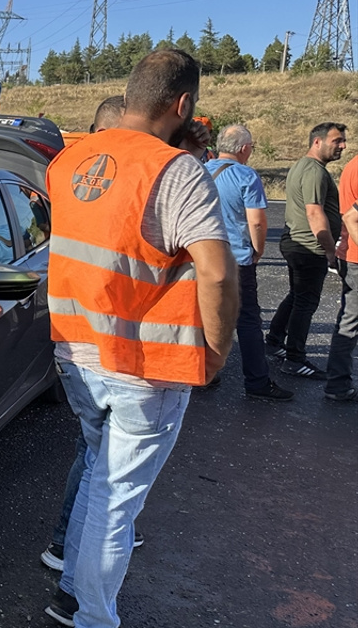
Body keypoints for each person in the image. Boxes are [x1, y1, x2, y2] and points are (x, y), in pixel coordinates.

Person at [42, 49, 238, 628]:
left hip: (74, 349)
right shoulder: (175, 171)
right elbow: (218, 272)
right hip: (144, 364)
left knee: (99, 473)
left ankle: (73, 594)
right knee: (116, 497)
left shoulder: (68, 162)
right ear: (182, 104)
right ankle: (95, 617)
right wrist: (218, 351)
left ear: (129, 95)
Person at [38, 93, 143, 577]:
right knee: (99, 456)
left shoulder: (65, 171)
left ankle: (79, 539)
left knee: (95, 447)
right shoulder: (122, 181)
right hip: (105, 344)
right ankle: (70, 546)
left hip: (74, 335)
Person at [207, 125, 293, 401]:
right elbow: (256, 220)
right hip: (236, 258)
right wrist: (257, 250)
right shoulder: (246, 175)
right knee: (247, 321)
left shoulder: (201, 171)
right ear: (244, 149)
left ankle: (202, 373)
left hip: (203, 257)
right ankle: (257, 382)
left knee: (202, 316)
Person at [266, 122, 347, 378]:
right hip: (308, 247)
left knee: (297, 296)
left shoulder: (305, 166)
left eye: (343, 141)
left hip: (298, 244)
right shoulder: (314, 171)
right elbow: (314, 212)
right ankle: (294, 359)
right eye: (337, 141)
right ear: (317, 142)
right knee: (306, 303)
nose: (343, 146)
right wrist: (329, 251)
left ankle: (275, 340)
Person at [323, 123, 358, 402]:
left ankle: (338, 382)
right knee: (350, 322)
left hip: (350, 254)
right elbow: (351, 217)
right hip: (356, 257)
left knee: (349, 320)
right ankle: (337, 383)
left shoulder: (352, 166)